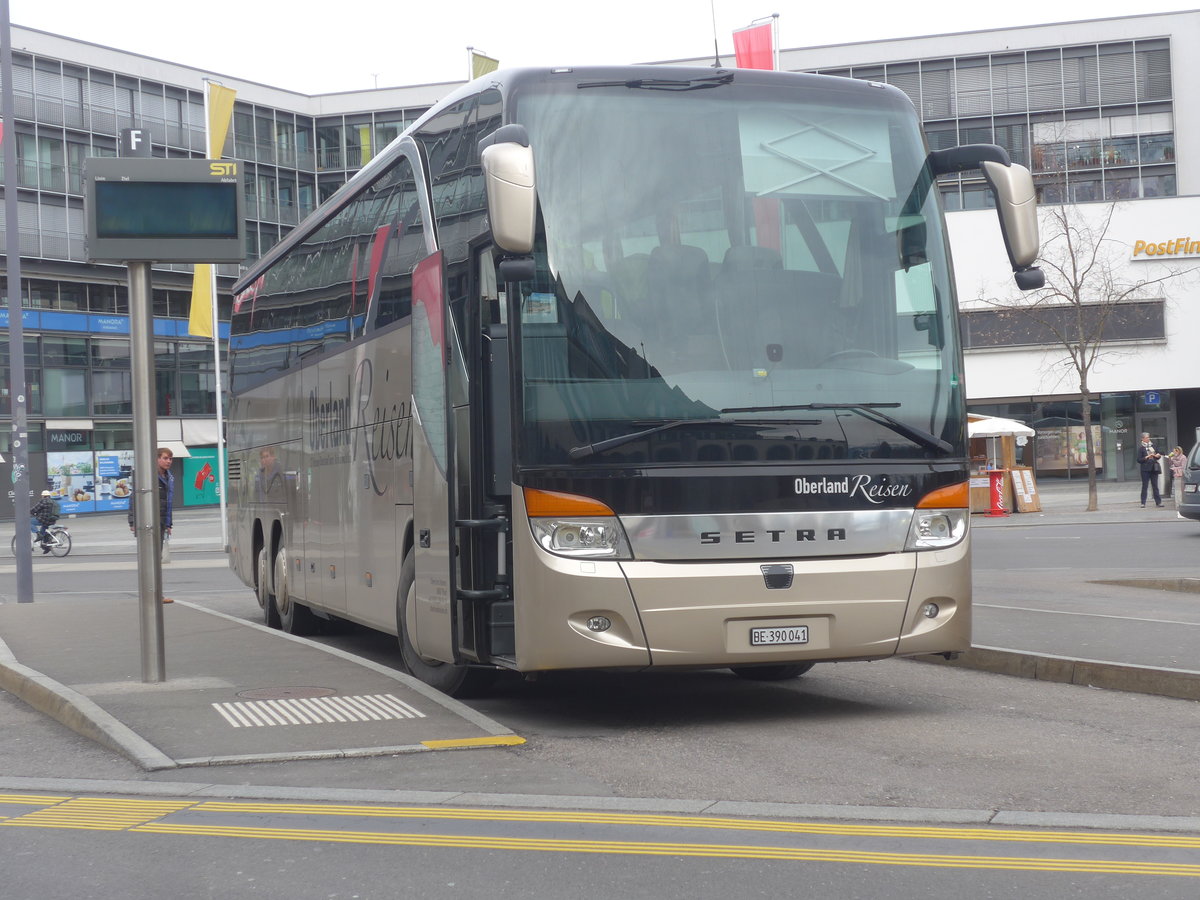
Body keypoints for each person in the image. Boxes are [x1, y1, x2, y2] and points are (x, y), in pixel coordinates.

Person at [128, 447, 176, 602]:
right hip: (148, 521)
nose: (168, 461)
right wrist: (133, 520)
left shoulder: (169, 477)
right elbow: (134, 498)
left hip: (161, 523)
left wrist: (169, 523)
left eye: (170, 458)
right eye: (165, 458)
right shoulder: (148, 476)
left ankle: (155, 594)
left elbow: (168, 503)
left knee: (156, 559)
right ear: (156, 459)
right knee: (150, 559)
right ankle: (151, 594)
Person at [1136, 433, 1163, 508]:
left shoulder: (1153, 446)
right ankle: (1143, 502)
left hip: (1154, 468)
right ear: (1142, 439)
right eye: (1147, 438)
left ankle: (1158, 502)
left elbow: (1158, 454)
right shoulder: (1141, 448)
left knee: (1155, 486)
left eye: (1148, 437)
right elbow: (1138, 460)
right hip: (1145, 469)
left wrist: (1158, 455)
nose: (1148, 439)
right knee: (1145, 486)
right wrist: (1147, 457)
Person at [30, 490, 59, 554]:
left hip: (43, 520)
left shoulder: (43, 501)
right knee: (43, 531)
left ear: (43, 496)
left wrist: (30, 512)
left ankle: (38, 534)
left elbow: (34, 509)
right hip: (52, 521)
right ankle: (46, 547)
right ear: (49, 495)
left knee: (29, 522)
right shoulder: (53, 501)